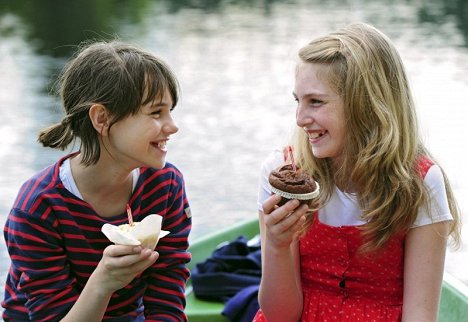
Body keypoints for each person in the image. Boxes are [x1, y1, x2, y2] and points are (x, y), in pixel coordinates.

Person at [253, 23, 461, 322]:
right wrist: (276, 245)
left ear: (365, 104)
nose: (299, 119)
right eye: (298, 101)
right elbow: (280, 315)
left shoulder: (421, 183)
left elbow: (420, 314)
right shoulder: (282, 173)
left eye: (316, 102)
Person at [2, 40, 192, 321]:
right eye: (156, 112)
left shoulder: (166, 185)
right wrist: (103, 281)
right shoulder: (39, 207)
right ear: (102, 118)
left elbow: (166, 295)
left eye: (170, 111)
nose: (173, 127)